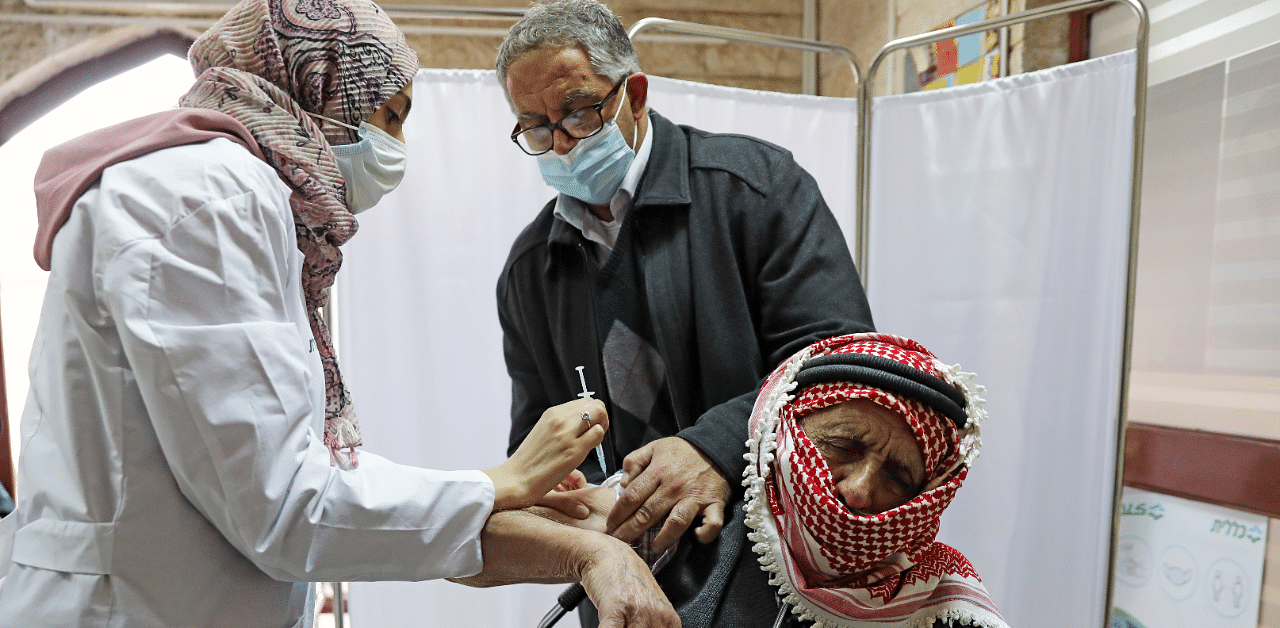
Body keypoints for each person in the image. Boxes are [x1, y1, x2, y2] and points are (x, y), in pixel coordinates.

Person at [0, 0, 678, 626]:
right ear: (322, 93)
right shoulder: (210, 196)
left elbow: (291, 476)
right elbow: (286, 508)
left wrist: (516, 500)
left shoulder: (239, 197)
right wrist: (501, 484)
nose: (397, 151)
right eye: (391, 116)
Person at [494, 1, 876, 625]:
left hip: (778, 573)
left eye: (579, 111)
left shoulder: (755, 189)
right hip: (625, 584)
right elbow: (534, 436)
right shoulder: (530, 269)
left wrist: (714, 448)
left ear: (635, 94)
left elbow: (844, 367)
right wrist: (558, 492)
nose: (560, 143)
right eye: (535, 126)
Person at [538, 333, 1009, 628]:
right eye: (843, 446)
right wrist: (597, 556)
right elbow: (481, 539)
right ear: (784, 427)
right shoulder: (683, 520)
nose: (860, 490)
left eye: (899, 477)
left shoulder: (941, 605)